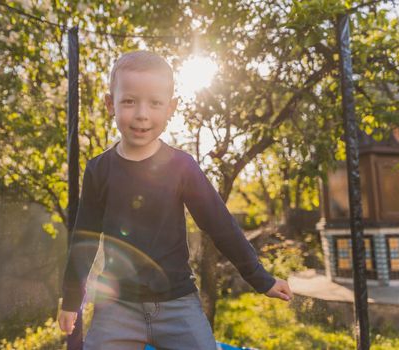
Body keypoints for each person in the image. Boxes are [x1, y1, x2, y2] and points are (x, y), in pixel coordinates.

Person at [58, 50, 293, 350]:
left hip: (177, 303)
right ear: (110, 104)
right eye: (129, 101)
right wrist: (71, 301)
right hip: (117, 307)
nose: (142, 113)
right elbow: (84, 238)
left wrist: (261, 279)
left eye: (155, 103)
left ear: (171, 108)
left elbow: (220, 224)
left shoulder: (181, 167)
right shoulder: (99, 170)